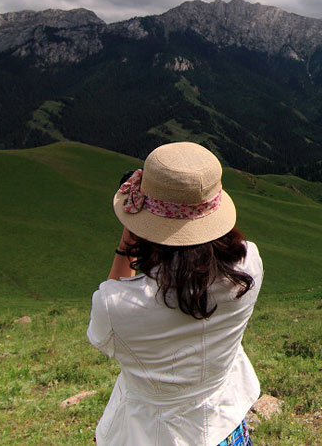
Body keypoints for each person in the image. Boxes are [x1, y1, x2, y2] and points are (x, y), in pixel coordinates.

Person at [87, 142, 263, 445]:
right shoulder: (249, 265)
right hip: (224, 423)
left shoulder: (116, 305)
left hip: (152, 434)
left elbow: (104, 333)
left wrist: (129, 238)